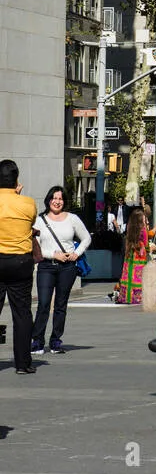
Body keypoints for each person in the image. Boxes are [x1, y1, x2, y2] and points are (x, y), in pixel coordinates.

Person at [31, 186, 91, 355]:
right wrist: (53, 254)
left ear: (64, 201)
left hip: (68, 267)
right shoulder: (39, 220)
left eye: (60, 199)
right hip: (46, 266)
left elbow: (86, 238)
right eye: (54, 198)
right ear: (48, 200)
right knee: (43, 303)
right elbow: (35, 246)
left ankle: (56, 340)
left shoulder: (72, 219)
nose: (57, 202)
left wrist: (76, 254)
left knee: (60, 304)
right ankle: (37, 341)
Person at [0, 158, 38, 374]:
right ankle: (23, 363)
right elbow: (30, 221)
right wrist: (17, 195)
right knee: (22, 313)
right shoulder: (28, 203)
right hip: (20, 261)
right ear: (16, 180)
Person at [114, 207, 150, 304]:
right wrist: (148, 250)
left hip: (129, 254)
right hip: (140, 255)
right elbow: (146, 244)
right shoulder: (143, 229)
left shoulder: (129, 228)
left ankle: (126, 296)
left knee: (128, 274)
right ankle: (137, 297)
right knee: (139, 276)